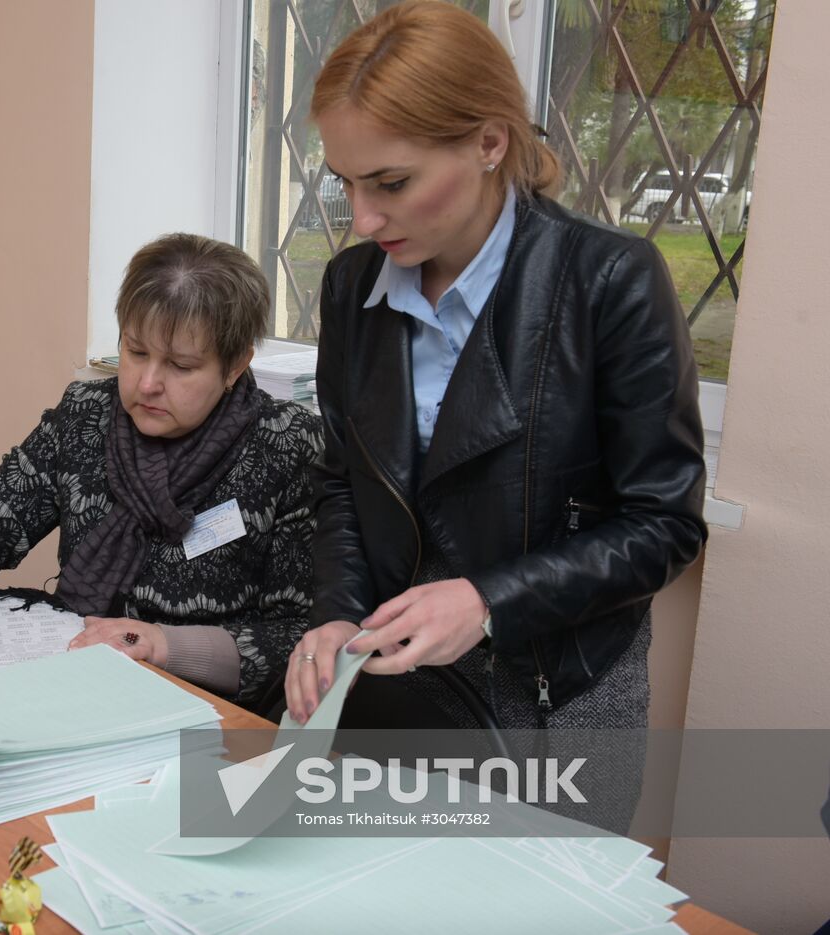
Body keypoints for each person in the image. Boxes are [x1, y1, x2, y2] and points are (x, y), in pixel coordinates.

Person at [284, 1, 706, 768]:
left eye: (392, 182)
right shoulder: (352, 287)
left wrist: (488, 601)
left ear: (488, 141)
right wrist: (336, 614)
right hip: (396, 690)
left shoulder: (610, 281)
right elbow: (344, 482)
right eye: (346, 182)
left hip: (557, 701)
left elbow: (664, 526)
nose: (365, 219)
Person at [0, 233, 322, 706]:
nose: (147, 384)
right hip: (73, 686)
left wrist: (162, 646)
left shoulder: (287, 446)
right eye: (136, 351)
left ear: (235, 366)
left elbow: (304, 639)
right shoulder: (87, 415)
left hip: (204, 716)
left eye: (181, 366)